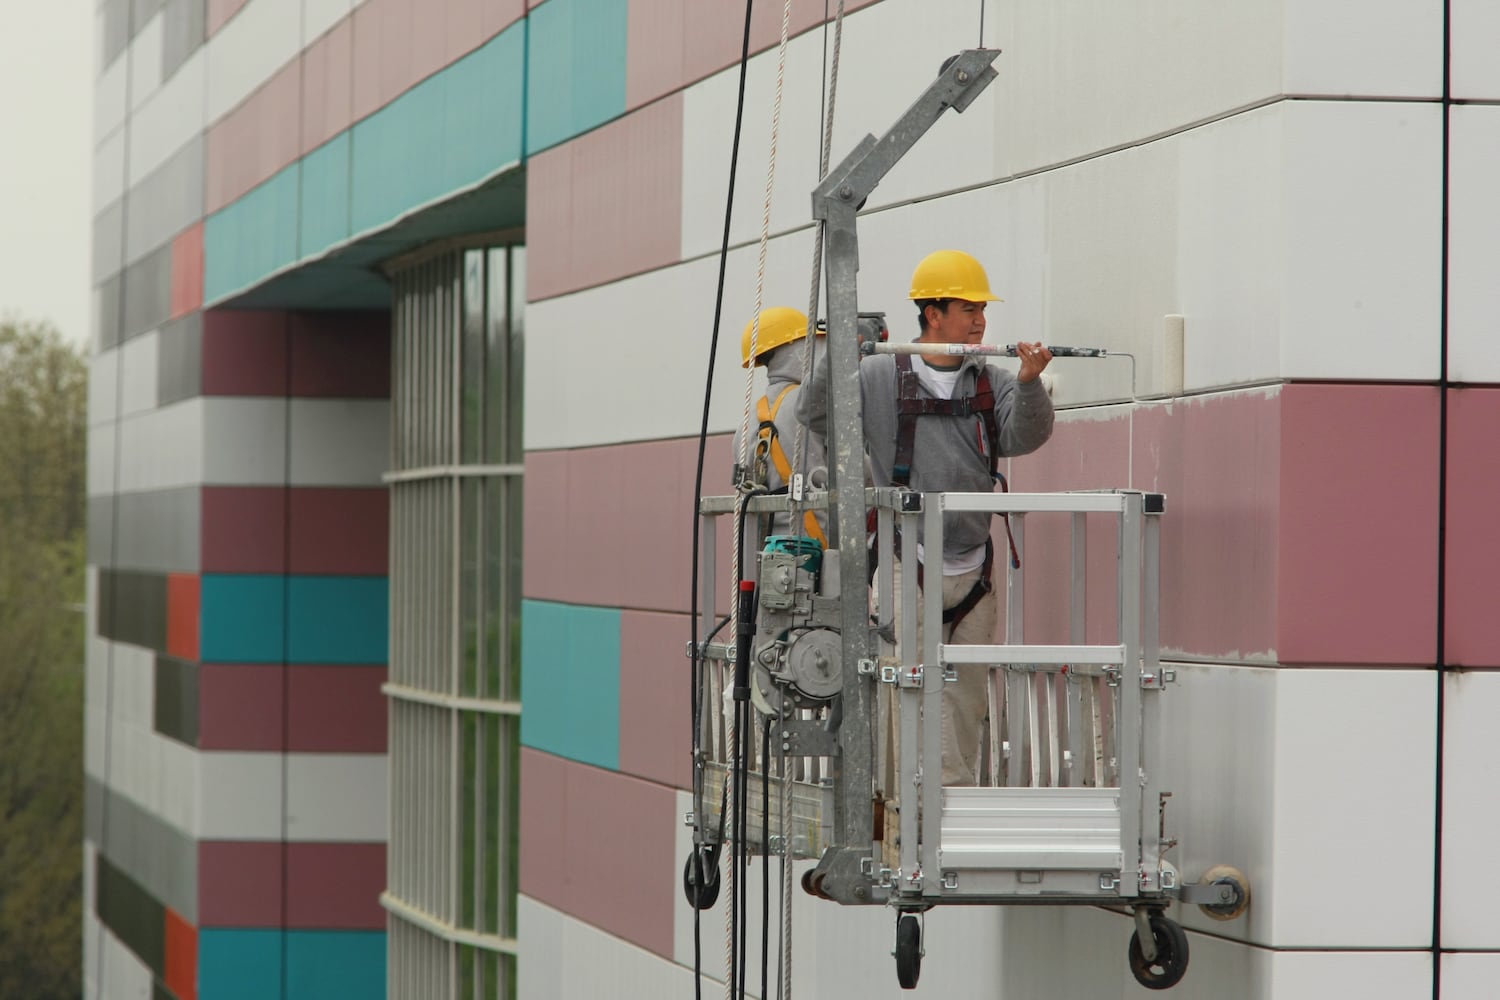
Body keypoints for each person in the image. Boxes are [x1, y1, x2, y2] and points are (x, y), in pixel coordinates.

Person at [799, 249, 1055, 787]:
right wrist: (838, 352)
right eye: (969, 309)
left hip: (973, 569)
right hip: (905, 559)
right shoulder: (877, 375)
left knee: (965, 694)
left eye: (982, 310)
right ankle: (905, 806)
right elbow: (814, 412)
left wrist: (1031, 384)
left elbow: (1024, 436)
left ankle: (951, 805)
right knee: (906, 686)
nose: (981, 320)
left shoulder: (991, 381)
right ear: (933, 314)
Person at [738, 306, 829, 546]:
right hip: (820, 553)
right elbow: (859, 471)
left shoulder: (745, 423)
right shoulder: (813, 407)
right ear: (797, 349)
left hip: (767, 558)